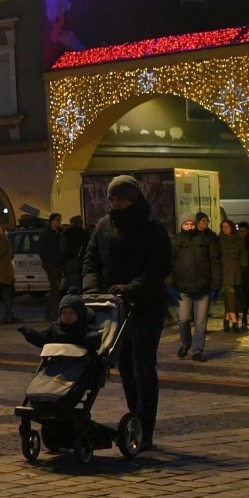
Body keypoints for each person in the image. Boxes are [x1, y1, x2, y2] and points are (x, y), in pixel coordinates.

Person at [83, 174, 172, 451]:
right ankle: (136, 419)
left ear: (132, 200)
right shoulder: (103, 226)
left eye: (118, 198)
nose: (113, 203)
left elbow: (159, 267)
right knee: (124, 366)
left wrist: (133, 288)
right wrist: (91, 290)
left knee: (142, 365)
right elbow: (91, 260)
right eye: (110, 198)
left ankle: (145, 426)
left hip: (145, 306)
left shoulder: (151, 227)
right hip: (114, 308)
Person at [169, 212, 221, 362]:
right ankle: (186, 343)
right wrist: (170, 285)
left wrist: (215, 285)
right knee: (184, 319)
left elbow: (215, 262)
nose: (189, 227)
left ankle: (197, 350)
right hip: (182, 288)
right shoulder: (175, 242)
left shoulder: (205, 240)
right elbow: (168, 265)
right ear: (181, 225)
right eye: (186, 224)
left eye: (192, 224)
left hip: (202, 287)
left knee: (201, 321)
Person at [17, 293, 103, 353]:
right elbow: (43, 339)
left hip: (79, 366)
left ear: (79, 314)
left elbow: (92, 343)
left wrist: (93, 338)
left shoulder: (84, 329)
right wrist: (29, 333)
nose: (67, 316)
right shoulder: (55, 329)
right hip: (57, 364)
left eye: (71, 313)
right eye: (63, 313)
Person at [219, 219, 247, 333]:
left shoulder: (238, 240)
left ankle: (226, 320)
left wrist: (243, 270)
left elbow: (243, 256)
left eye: (227, 227)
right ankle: (234, 322)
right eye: (223, 227)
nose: (225, 229)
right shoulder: (219, 240)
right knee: (230, 296)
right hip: (225, 272)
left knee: (233, 297)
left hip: (236, 271)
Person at [39, 214, 65, 321]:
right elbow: (41, 249)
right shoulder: (46, 233)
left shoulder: (60, 232)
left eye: (60, 220)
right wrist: (47, 262)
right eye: (57, 220)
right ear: (51, 221)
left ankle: (48, 313)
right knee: (55, 288)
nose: (59, 222)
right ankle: (55, 314)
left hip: (58, 264)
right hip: (50, 265)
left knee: (55, 289)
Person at [59, 216, 88, 297]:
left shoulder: (67, 233)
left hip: (70, 260)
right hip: (82, 260)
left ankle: (71, 297)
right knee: (80, 280)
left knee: (71, 280)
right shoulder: (84, 233)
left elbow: (62, 248)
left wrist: (62, 259)